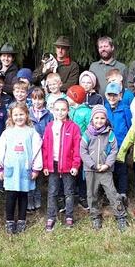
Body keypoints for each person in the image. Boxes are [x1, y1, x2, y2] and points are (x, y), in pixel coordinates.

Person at [0, 103, 43, 234]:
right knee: (11, 196)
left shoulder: (32, 132)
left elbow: (37, 151)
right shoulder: (7, 133)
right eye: (15, 115)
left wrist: (36, 169)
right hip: (11, 170)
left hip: (25, 171)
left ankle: (22, 220)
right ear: (11, 116)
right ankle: (10, 221)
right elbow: (0, 150)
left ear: (27, 115)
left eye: (21, 114)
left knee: (23, 196)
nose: (19, 117)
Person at [80, 105, 127, 231]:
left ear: (106, 119)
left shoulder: (110, 133)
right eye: (96, 118)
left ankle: (120, 216)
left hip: (105, 170)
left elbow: (113, 150)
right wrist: (93, 165)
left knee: (112, 193)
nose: (99, 121)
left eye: (102, 118)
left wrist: (107, 164)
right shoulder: (87, 134)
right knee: (92, 194)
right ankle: (95, 216)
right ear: (92, 119)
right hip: (91, 170)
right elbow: (83, 151)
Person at [42, 98, 82, 231]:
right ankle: (51, 217)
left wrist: (75, 165)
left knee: (69, 192)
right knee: (52, 192)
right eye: (57, 109)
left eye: (63, 109)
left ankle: (69, 216)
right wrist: (45, 165)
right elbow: (45, 147)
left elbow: (77, 148)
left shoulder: (74, 127)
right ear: (53, 110)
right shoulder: (49, 126)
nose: (60, 112)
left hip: (68, 165)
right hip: (52, 164)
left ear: (68, 110)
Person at [104, 82, 132, 199]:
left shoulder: (125, 109)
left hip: (121, 144)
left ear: (120, 95)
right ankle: (109, 192)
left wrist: (129, 143)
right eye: (109, 95)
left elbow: (130, 127)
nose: (112, 98)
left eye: (114, 95)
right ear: (106, 95)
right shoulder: (104, 108)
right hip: (107, 145)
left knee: (122, 168)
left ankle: (122, 192)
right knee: (109, 169)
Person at [27, 87, 53, 211]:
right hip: (31, 149)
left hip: (44, 149)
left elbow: (52, 130)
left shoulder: (48, 114)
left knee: (39, 175)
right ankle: (29, 199)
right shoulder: (27, 113)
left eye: (40, 99)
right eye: (34, 99)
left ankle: (37, 198)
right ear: (31, 100)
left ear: (44, 100)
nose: (37, 102)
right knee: (30, 175)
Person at [67, 84, 91, 210]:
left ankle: (83, 195)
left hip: (81, 146)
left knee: (82, 172)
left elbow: (89, 128)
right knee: (71, 170)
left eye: (69, 95)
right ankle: (72, 193)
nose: (66, 97)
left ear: (75, 98)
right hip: (68, 146)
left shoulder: (86, 112)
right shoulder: (68, 110)